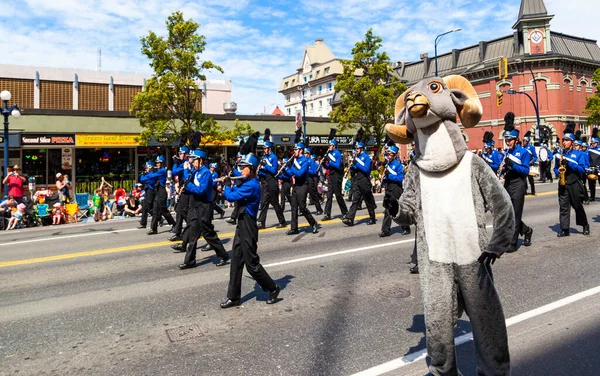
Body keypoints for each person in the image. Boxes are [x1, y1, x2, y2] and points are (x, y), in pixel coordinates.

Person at [220, 137, 281, 308]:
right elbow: (235, 190)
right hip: (241, 223)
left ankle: (273, 287)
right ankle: (234, 297)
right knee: (236, 262)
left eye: (243, 167)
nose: (240, 169)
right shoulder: (246, 182)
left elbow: (231, 196)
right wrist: (233, 182)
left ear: (251, 169)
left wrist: (226, 184)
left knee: (251, 265)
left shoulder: (252, 185)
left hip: (248, 225)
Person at [176, 148, 230, 269]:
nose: (192, 162)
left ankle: (223, 255)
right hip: (195, 205)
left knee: (208, 233)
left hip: (204, 206)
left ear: (200, 160)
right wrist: (185, 171)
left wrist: (187, 185)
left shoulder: (206, 173)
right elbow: (187, 181)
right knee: (193, 234)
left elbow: (201, 190)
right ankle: (190, 261)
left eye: (194, 160)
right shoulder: (195, 171)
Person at [501, 113, 534, 252]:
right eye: (506, 140)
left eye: (510, 140)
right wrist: (502, 169)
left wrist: (512, 165)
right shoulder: (506, 152)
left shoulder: (524, 152)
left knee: (515, 214)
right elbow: (504, 167)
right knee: (508, 214)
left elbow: (525, 170)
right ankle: (526, 230)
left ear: (516, 140)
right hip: (508, 183)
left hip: (519, 184)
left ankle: (512, 243)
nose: (508, 142)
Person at [554, 122, 590, 237]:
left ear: (572, 142)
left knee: (577, 206)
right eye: (563, 140)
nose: (564, 142)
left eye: (566, 140)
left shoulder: (579, 154)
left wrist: (569, 164)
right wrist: (558, 172)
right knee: (563, 206)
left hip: (574, 182)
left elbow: (582, 169)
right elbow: (555, 169)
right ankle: (565, 229)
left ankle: (585, 225)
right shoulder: (559, 154)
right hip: (563, 183)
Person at [343, 132, 377, 227]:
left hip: (365, 180)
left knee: (367, 200)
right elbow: (356, 169)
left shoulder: (366, 157)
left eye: (358, 148)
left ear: (361, 149)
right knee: (355, 200)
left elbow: (366, 170)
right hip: (358, 180)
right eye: (356, 148)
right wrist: (352, 166)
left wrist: (357, 162)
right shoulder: (357, 157)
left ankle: (372, 217)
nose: (356, 150)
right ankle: (350, 218)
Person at [286, 140, 319, 235]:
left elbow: (300, 173)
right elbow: (291, 174)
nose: (294, 151)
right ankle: (294, 228)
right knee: (294, 207)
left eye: (296, 150)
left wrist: (291, 168)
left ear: (300, 150)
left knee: (302, 207)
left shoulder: (305, 161)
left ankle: (313, 223)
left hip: (303, 185)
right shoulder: (295, 160)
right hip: (296, 186)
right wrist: (286, 169)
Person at [256, 129, 287, 229]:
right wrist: (259, 170)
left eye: (265, 148)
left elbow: (273, 171)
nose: (264, 150)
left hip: (272, 182)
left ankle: (282, 221)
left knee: (274, 203)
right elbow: (264, 171)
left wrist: (265, 166)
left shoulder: (273, 157)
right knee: (264, 202)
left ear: (269, 149)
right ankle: (261, 222)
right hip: (265, 182)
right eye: (264, 148)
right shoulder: (264, 157)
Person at [379, 143, 410, 237]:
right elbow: (387, 176)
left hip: (396, 189)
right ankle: (385, 230)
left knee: (398, 209)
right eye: (388, 154)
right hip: (389, 188)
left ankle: (405, 227)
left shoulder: (398, 165)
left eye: (390, 154)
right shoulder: (388, 164)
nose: (388, 156)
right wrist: (384, 178)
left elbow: (400, 178)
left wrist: (390, 176)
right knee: (388, 209)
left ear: (395, 155)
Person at [144, 156, 176, 235]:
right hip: (158, 192)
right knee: (155, 211)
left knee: (163, 210)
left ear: (162, 163)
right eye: (157, 163)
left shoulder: (162, 171)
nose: (157, 164)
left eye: (159, 163)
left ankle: (174, 224)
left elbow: (152, 176)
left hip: (162, 192)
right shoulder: (158, 170)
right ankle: (153, 229)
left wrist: (149, 172)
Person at [322, 130, 348, 221]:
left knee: (338, 195)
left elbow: (337, 165)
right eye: (329, 145)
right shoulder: (329, 153)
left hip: (337, 175)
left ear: (334, 146)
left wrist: (329, 160)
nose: (329, 147)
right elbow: (329, 166)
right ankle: (327, 214)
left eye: (330, 145)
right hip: (331, 175)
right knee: (329, 195)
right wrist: (324, 163)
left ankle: (345, 212)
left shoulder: (337, 153)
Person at [169, 145, 191, 241]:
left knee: (182, 211)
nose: (179, 155)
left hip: (188, 190)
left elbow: (174, 172)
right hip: (183, 189)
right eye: (179, 153)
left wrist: (175, 163)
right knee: (179, 210)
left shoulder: (186, 163)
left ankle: (194, 227)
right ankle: (178, 232)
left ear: (186, 154)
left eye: (181, 153)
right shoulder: (183, 162)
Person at [225, 152, 244, 225]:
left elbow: (242, 176)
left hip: (242, 185)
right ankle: (234, 218)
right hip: (237, 184)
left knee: (239, 203)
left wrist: (234, 170)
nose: (237, 159)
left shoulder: (244, 166)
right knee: (237, 203)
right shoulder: (237, 165)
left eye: (239, 157)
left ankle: (234, 217)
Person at [305, 148, 323, 215]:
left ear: (309, 154)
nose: (305, 155)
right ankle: (302, 210)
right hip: (304, 179)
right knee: (302, 195)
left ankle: (319, 209)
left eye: (306, 153)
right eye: (304, 153)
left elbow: (313, 172)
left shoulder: (311, 161)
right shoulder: (304, 160)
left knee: (313, 194)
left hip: (310, 179)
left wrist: (306, 170)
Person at [588, 128, 600, 202]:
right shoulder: (590, 150)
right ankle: (592, 197)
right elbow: (588, 160)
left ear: (597, 143)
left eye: (594, 143)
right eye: (592, 143)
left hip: (599, 168)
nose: (593, 144)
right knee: (592, 184)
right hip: (592, 168)